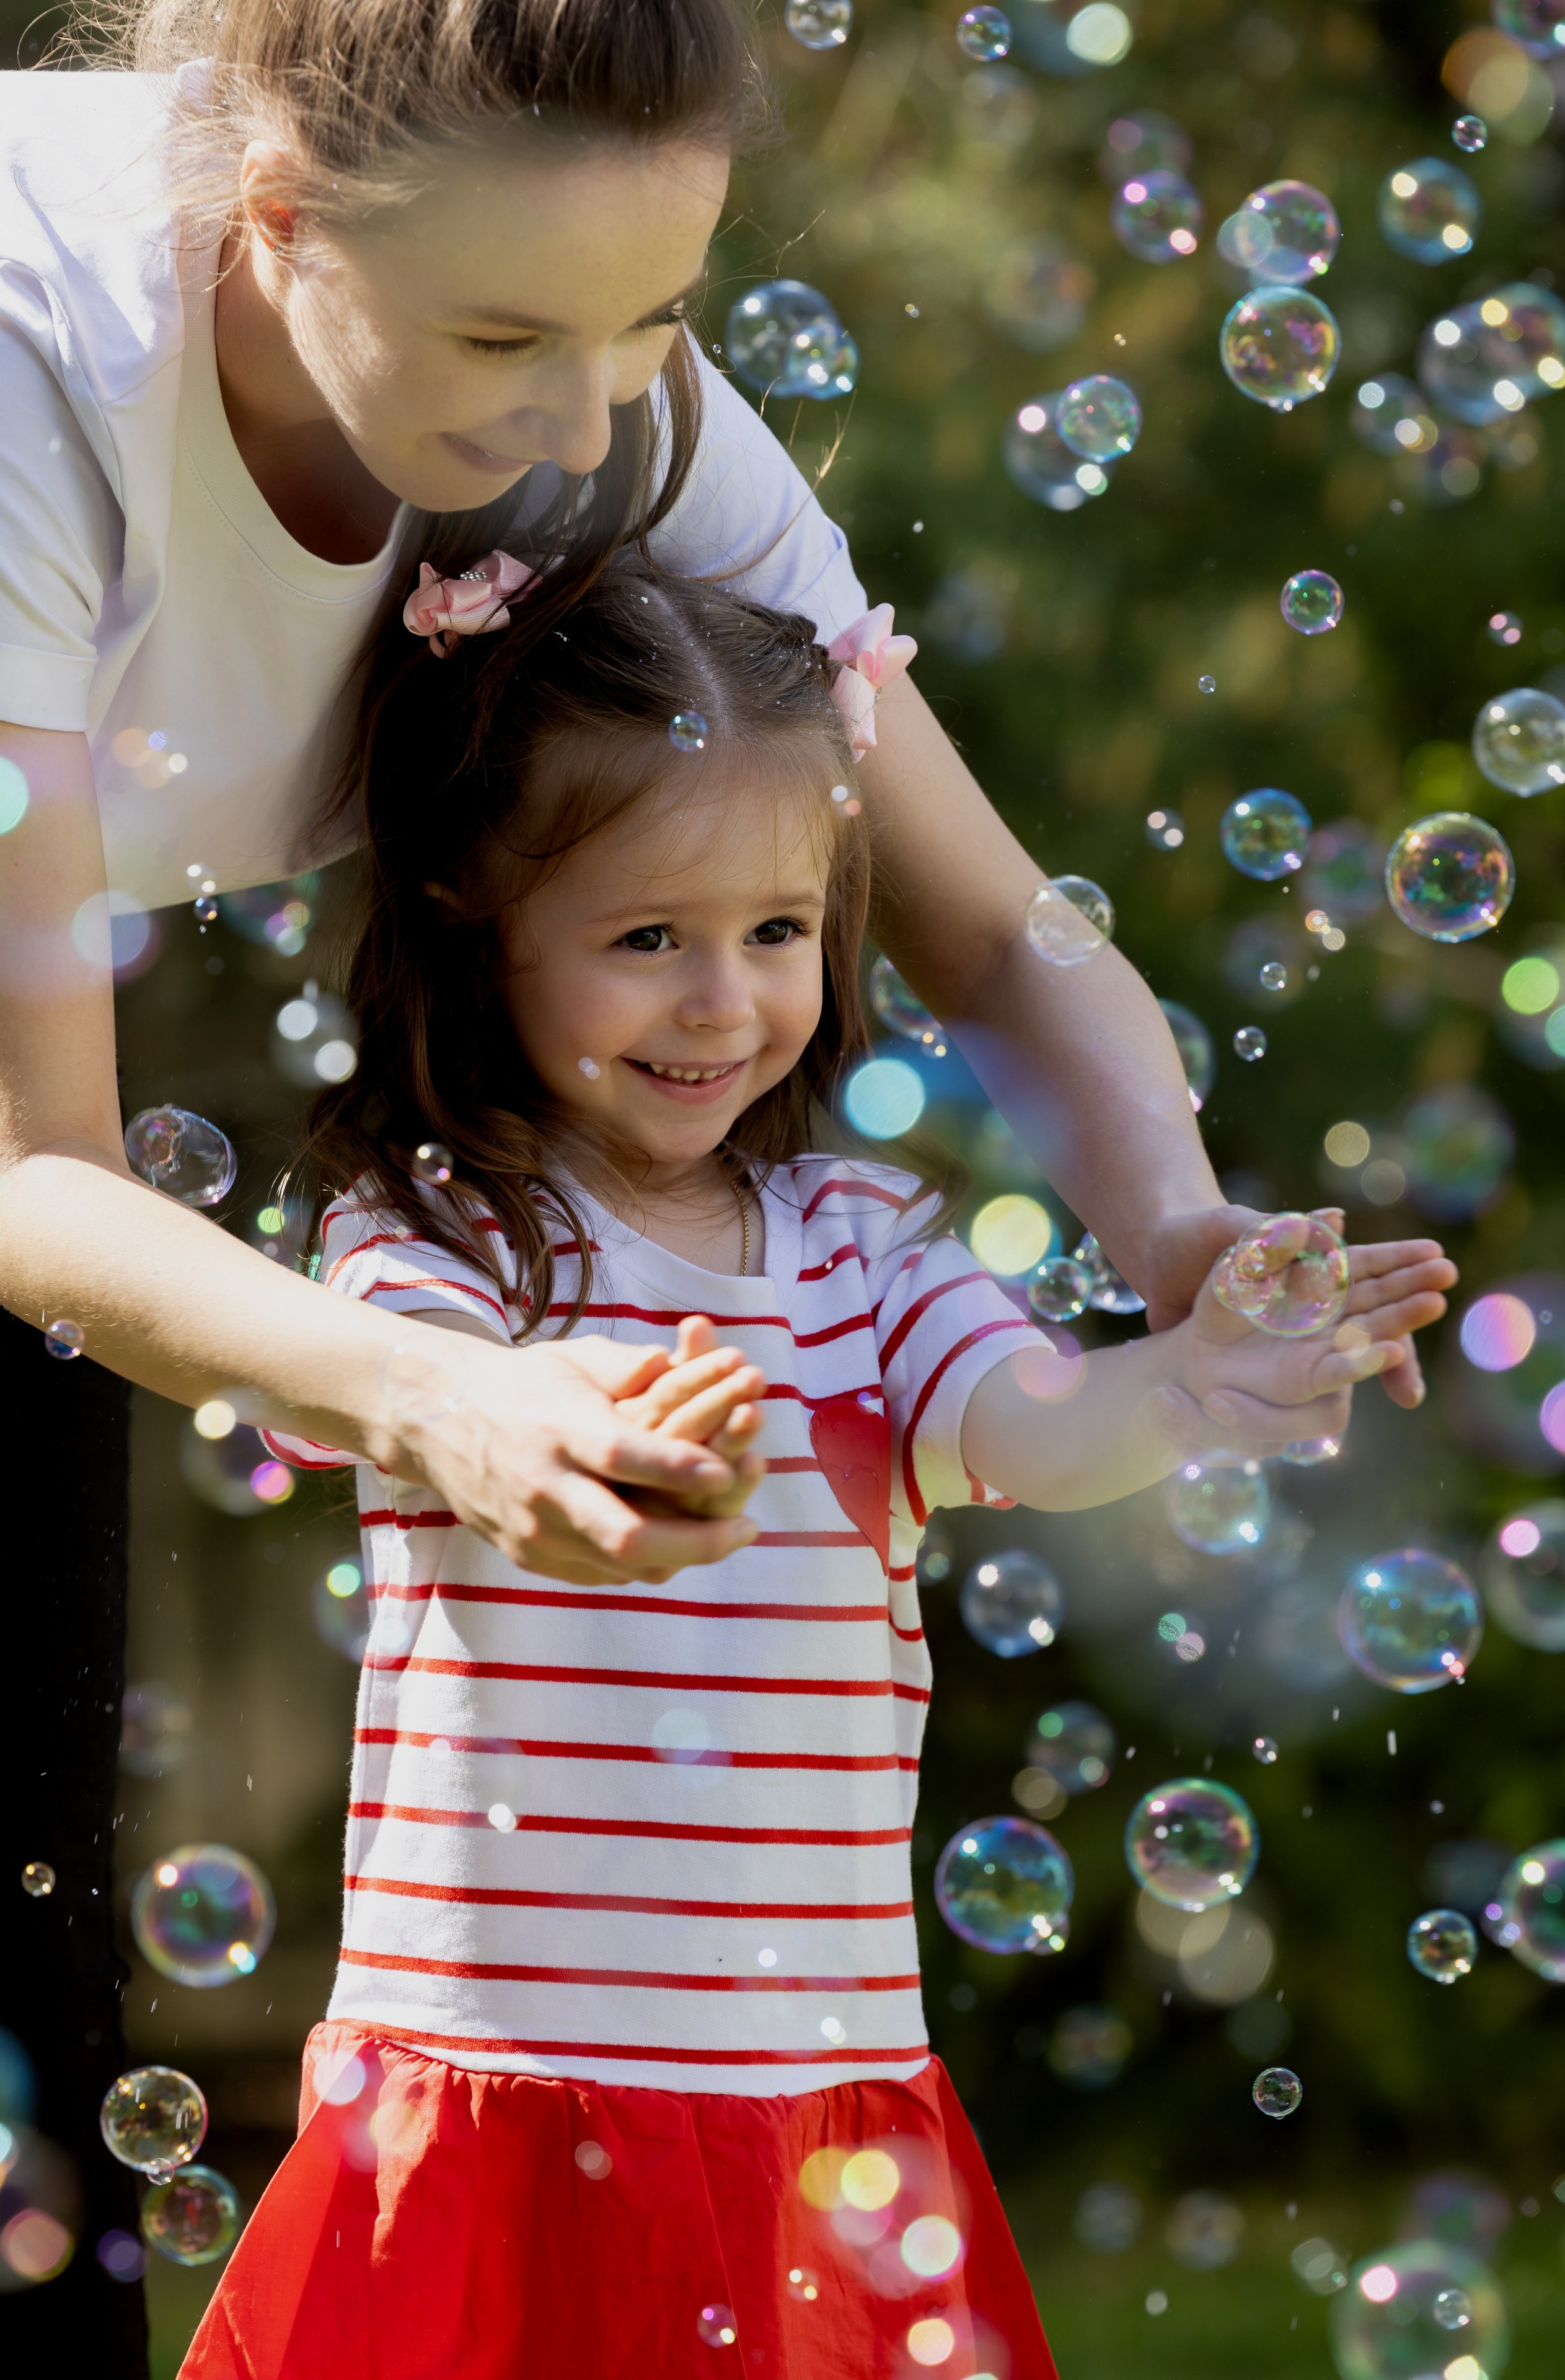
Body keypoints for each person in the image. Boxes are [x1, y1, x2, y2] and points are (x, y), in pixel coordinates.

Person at [175, 562, 1454, 2378]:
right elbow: (409, 1384)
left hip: (810, 2098)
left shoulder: (858, 1242)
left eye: (778, 928)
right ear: (479, 913)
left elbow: (1025, 1426)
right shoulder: (438, 1237)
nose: (723, 1001)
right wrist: (581, 1419)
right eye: (648, 938)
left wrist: (1190, 1377)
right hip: (499, 2084)